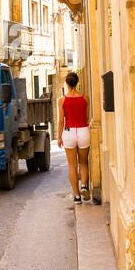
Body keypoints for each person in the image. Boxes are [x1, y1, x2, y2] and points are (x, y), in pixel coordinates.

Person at [57, 72, 91, 204]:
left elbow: (61, 121)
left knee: (72, 166)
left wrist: (59, 138)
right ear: (77, 83)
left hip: (69, 132)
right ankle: (84, 185)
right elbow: (87, 117)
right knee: (83, 162)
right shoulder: (85, 98)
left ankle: (77, 197)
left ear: (67, 83)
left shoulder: (62, 100)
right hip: (83, 130)